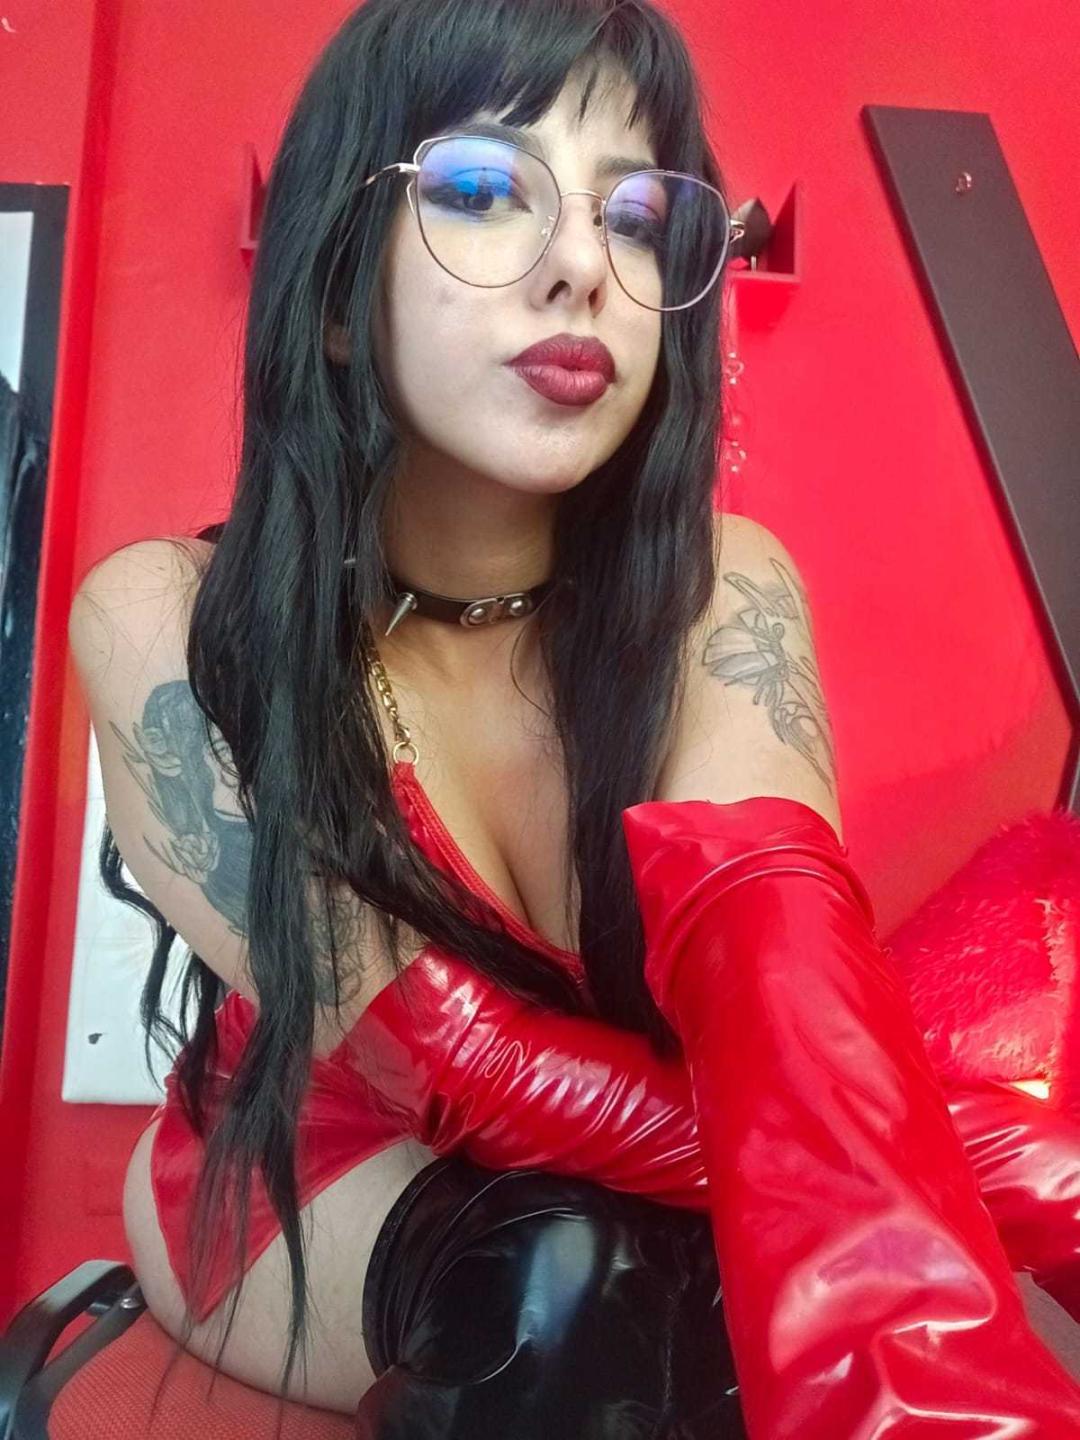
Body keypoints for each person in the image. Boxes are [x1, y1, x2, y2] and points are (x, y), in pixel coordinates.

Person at [67, 0, 1080, 1434]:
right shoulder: (168, 615)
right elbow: (460, 1065)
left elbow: (786, 1020)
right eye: (486, 189)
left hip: (643, 1172)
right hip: (322, 1166)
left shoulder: (723, 592)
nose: (583, 267)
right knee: (576, 1284)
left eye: (638, 214)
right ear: (339, 292)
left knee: (724, 1297)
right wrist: (1022, 1181)